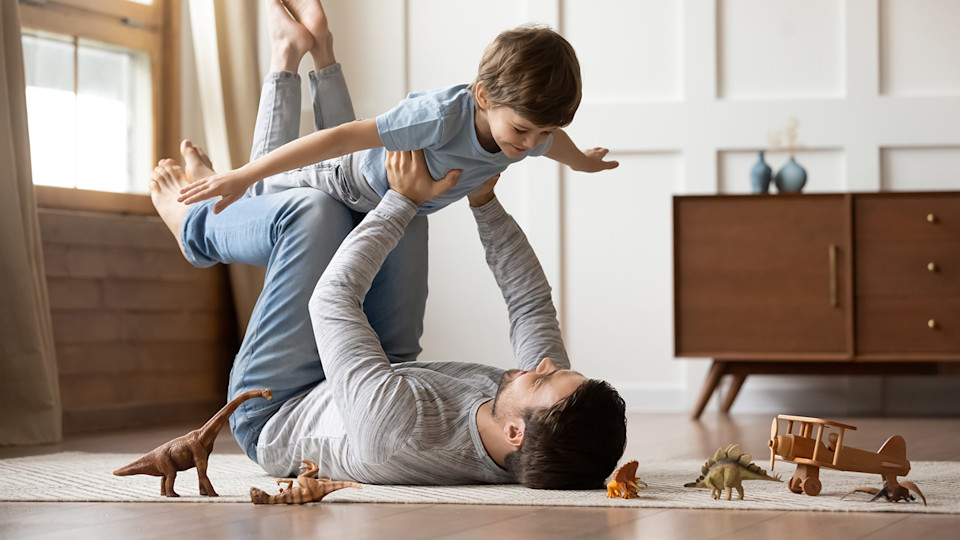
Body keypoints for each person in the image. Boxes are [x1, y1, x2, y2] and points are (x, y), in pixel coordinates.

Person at [147, 0, 627, 489]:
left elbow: (332, 301)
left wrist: (401, 201)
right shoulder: (543, 419)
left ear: (514, 432)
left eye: (544, 378)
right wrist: (484, 202)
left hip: (280, 404)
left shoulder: (397, 434)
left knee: (317, 212)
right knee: (384, 200)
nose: (544, 365)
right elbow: (529, 304)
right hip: (385, 371)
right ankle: (304, 61)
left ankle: (197, 226)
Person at [176, 1, 619, 216]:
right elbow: (342, 137)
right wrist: (246, 175)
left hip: (370, 183)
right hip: (345, 180)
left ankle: (320, 45)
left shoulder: (528, 130)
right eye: (525, 131)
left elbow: (554, 142)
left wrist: (581, 163)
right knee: (258, 196)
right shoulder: (441, 117)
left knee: (355, 151)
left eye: (541, 133)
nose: (531, 144)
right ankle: (223, 173)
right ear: (483, 96)